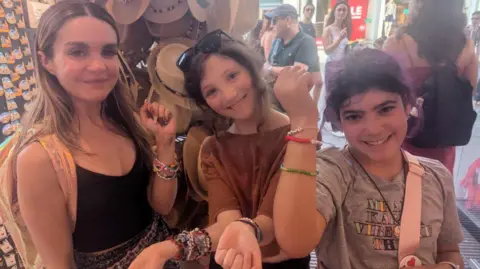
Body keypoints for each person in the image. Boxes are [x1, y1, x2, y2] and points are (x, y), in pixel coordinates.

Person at [11, 1, 178, 268]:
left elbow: (162, 207)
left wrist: (165, 143)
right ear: (47, 61)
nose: (99, 66)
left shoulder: (128, 122)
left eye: (108, 52)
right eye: (77, 52)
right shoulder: (39, 159)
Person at [129, 30, 311, 269]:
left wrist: (245, 231)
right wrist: (169, 248)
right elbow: (227, 221)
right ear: (205, 103)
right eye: (211, 91)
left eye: (232, 75)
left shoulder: (297, 134)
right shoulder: (214, 149)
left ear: (252, 68)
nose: (229, 94)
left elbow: (272, 221)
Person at [273, 48, 464, 269]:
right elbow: (295, 242)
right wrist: (302, 121)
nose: (372, 129)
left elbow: (449, 251)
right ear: (340, 123)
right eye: (354, 116)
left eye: (385, 109)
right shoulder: (332, 170)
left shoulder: (437, 176)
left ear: (408, 106)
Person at [383, 0, 478, 172]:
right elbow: (467, 93)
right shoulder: (466, 47)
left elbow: (381, 95)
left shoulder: (396, 43)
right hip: (442, 143)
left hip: (402, 138)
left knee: (399, 191)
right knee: (436, 192)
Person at [263, 4, 322, 111]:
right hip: (273, 102)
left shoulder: (306, 42)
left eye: (275, 20)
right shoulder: (277, 41)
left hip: (292, 107)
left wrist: (270, 70)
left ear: (288, 20)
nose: (271, 25)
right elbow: (269, 63)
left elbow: (297, 72)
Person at [320, 0, 352, 137]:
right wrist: (339, 39)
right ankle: (329, 123)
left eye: (344, 10)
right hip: (332, 65)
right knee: (330, 94)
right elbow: (327, 50)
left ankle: (338, 123)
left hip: (343, 65)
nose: (341, 13)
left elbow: (344, 49)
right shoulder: (328, 29)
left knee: (342, 94)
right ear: (334, 12)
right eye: (339, 10)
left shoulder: (345, 28)